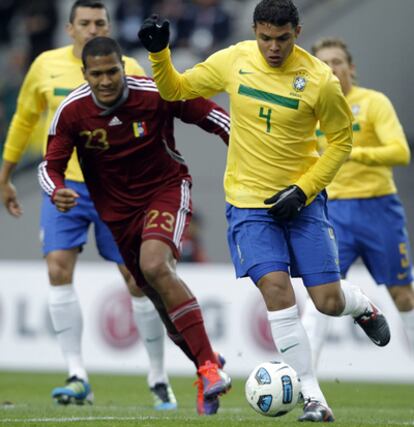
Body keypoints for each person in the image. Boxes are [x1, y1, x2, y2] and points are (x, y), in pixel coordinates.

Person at [138, 0, 392, 421]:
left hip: (303, 203)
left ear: (297, 31)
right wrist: (160, 55)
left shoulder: (319, 81)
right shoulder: (234, 59)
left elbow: (341, 143)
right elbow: (175, 90)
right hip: (248, 203)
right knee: (276, 290)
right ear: (255, 30)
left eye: (282, 38)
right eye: (265, 38)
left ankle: (361, 305)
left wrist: (304, 188)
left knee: (327, 301)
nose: (273, 47)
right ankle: (313, 397)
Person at [38, 36, 232, 416]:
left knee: (155, 265)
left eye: (113, 71)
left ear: (123, 68)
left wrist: (246, 154)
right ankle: (206, 366)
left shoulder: (156, 93)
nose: (106, 80)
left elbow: (214, 117)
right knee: (156, 297)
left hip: (165, 190)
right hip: (118, 215)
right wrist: (56, 190)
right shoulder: (72, 111)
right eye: (97, 74)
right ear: (85, 74)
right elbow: (50, 166)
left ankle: (208, 368)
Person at [0, 0, 178, 410]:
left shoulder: (130, 69)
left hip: (119, 189)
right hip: (65, 187)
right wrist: (6, 176)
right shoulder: (45, 65)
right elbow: (25, 119)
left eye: (100, 22)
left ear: (110, 27)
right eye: (85, 23)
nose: (92, 28)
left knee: (137, 281)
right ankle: (77, 373)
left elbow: (152, 124)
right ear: (69, 28)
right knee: (57, 269)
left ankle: (158, 376)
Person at [300, 37, 414, 367]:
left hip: (379, 209)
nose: (331, 68)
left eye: (337, 62)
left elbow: (400, 152)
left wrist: (352, 152)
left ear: (351, 68)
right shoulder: (312, 108)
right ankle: (308, 386)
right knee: (319, 295)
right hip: (332, 212)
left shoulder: (374, 102)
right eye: (324, 63)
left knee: (403, 296)